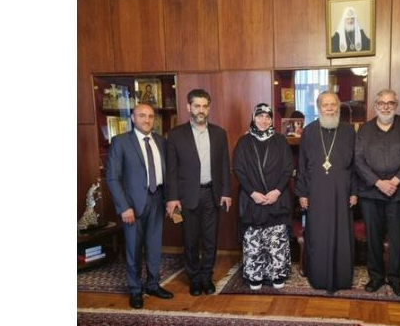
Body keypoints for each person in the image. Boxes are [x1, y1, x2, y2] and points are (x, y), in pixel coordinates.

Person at [106, 103, 174, 309]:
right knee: (133, 249)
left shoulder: (161, 141)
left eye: (151, 116)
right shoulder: (120, 142)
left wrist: (170, 199)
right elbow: (113, 178)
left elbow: (168, 174)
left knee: (154, 247)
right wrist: (123, 207)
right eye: (142, 115)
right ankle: (135, 290)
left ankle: (152, 285)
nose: (147, 120)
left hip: (157, 200)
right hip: (132, 206)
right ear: (133, 118)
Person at [166, 89, 232, 296]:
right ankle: (194, 278)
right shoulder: (176, 135)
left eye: (204, 106)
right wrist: (172, 198)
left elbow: (224, 165)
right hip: (187, 197)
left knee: (211, 240)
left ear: (209, 108)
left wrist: (226, 192)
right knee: (191, 240)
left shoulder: (219, 134)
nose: (201, 110)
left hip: (212, 194)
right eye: (197, 106)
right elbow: (171, 170)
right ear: (189, 107)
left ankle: (206, 277)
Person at [354, 89, 400, 298]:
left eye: (390, 103)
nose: (386, 107)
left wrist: (395, 180)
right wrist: (378, 183)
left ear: (396, 105)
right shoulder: (365, 129)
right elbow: (358, 160)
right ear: (375, 105)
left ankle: (396, 279)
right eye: (381, 103)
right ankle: (375, 277)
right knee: (373, 237)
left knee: (398, 238)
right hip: (371, 193)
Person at [296, 91, 358, 293]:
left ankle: (341, 277)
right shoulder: (309, 132)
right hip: (316, 192)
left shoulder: (349, 131)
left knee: (341, 234)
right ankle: (318, 276)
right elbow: (302, 165)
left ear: (338, 107)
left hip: (342, 192)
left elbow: (355, 165)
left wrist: (354, 192)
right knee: (318, 234)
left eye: (333, 104)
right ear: (319, 108)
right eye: (325, 105)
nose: (330, 108)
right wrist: (302, 193)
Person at [232, 103, 294, 290]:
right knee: (254, 241)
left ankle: (277, 274)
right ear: (253, 118)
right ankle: (255, 276)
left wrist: (277, 191)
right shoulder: (244, 142)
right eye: (260, 116)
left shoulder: (280, 140)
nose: (264, 120)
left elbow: (288, 168)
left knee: (276, 240)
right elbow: (238, 170)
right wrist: (253, 193)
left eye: (267, 117)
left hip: (277, 198)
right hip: (252, 199)